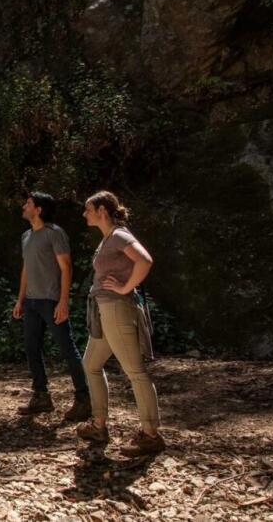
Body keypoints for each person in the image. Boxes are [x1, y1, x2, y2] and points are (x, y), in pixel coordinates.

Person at [75, 191, 165, 457]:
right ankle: (99, 426)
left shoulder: (118, 235)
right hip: (105, 311)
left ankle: (151, 435)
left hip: (117, 310)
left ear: (102, 210)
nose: (84, 214)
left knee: (135, 372)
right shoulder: (107, 239)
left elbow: (145, 260)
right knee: (90, 364)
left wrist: (126, 288)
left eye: (88, 209)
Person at [13, 192, 91, 420]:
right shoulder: (26, 236)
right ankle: (41, 396)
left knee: (67, 349)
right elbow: (26, 269)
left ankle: (84, 399)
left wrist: (63, 301)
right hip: (31, 302)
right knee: (31, 348)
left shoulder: (54, 234)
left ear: (38, 209)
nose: (24, 206)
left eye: (28, 203)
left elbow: (66, 267)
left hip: (51, 301)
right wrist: (20, 300)